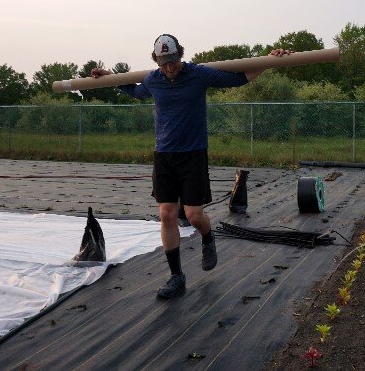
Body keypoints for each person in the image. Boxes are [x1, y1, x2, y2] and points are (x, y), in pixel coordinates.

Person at [91, 34, 290, 299]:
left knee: (194, 215)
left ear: (180, 56)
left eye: (172, 61)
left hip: (193, 155)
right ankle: (176, 276)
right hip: (164, 155)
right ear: (156, 60)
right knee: (167, 214)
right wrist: (109, 77)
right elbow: (135, 91)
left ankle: (208, 238)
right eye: (164, 63)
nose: (169, 67)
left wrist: (267, 62)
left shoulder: (198, 74)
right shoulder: (153, 79)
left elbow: (238, 78)